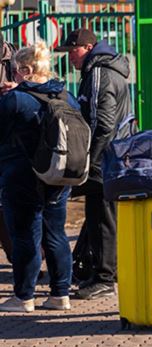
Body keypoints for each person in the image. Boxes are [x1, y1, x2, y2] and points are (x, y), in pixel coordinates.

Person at [55, 28, 133, 300]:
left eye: (72, 51)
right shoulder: (103, 69)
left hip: (105, 158)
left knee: (102, 217)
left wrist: (88, 158)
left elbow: (103, 123)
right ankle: (102, 271)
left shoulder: (99, 72)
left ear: (87, 48)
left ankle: (104, 278)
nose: (70, 58)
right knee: (101, 216)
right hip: (112, 156)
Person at [0, 43, 79, 312]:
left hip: (21, 177)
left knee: (25, 237)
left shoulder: (15, 100)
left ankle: (23, 297)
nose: (13, 76)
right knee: (56, 234)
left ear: (26, 69)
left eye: (14, 71)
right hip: (59, 175)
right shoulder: (66, 96)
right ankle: (60, 295)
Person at [0, 33, 18, 262]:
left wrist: (16, 89)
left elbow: (36, 85)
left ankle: (21, 258)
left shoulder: (14, 56)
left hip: (10, 139)